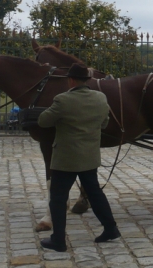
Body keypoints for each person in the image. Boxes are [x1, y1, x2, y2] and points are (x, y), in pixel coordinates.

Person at [37, 63, 120, 252]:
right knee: (95, 193)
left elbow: (43, 121)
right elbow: (105, 123)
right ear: (87, 80)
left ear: (71, 80)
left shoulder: (62, 100)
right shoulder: (100, 98)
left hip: (66, 158)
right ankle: (110, 228)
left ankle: (58, 240)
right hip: (89, 156)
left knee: (58, 198)